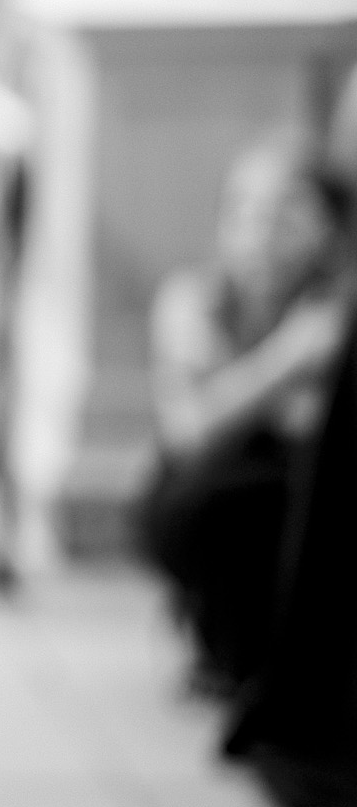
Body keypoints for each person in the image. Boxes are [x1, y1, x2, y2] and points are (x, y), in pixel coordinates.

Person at [140, 131, 352, 693]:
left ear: (326, 229)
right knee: (211, 495)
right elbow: (187, 431)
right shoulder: (192, 299)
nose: (262, 231)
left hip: (295, 495)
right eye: (246, 210)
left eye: (286, 211)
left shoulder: (337, 304)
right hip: (198, 497)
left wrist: (240, 397)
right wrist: (288, 361)